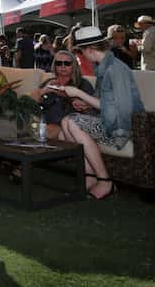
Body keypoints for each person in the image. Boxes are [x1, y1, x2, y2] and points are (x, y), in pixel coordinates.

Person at [61, 26, 145, 199]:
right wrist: (86, 105)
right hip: (109, 120)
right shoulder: (104, 67)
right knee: (66, 122)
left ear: (90, 50)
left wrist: (79, 93)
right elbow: (104, 103)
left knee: (71, 122)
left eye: (82, 52)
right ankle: (90, 177)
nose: (82, 57)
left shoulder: (115, 69)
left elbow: (122, 109)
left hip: (125, 127)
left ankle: (105, 181)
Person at [30, 50, 96, 140]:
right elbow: (30, 101)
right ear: (55, 65)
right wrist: (43, 90)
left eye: (67, 63)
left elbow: (92, 108)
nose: (63, 66)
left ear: (74, 65)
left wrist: (68, 96)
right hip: (44, 121)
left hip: (66, 123)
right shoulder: (50, 82)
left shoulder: (83, 84)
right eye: (59, 63)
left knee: (47, 131)